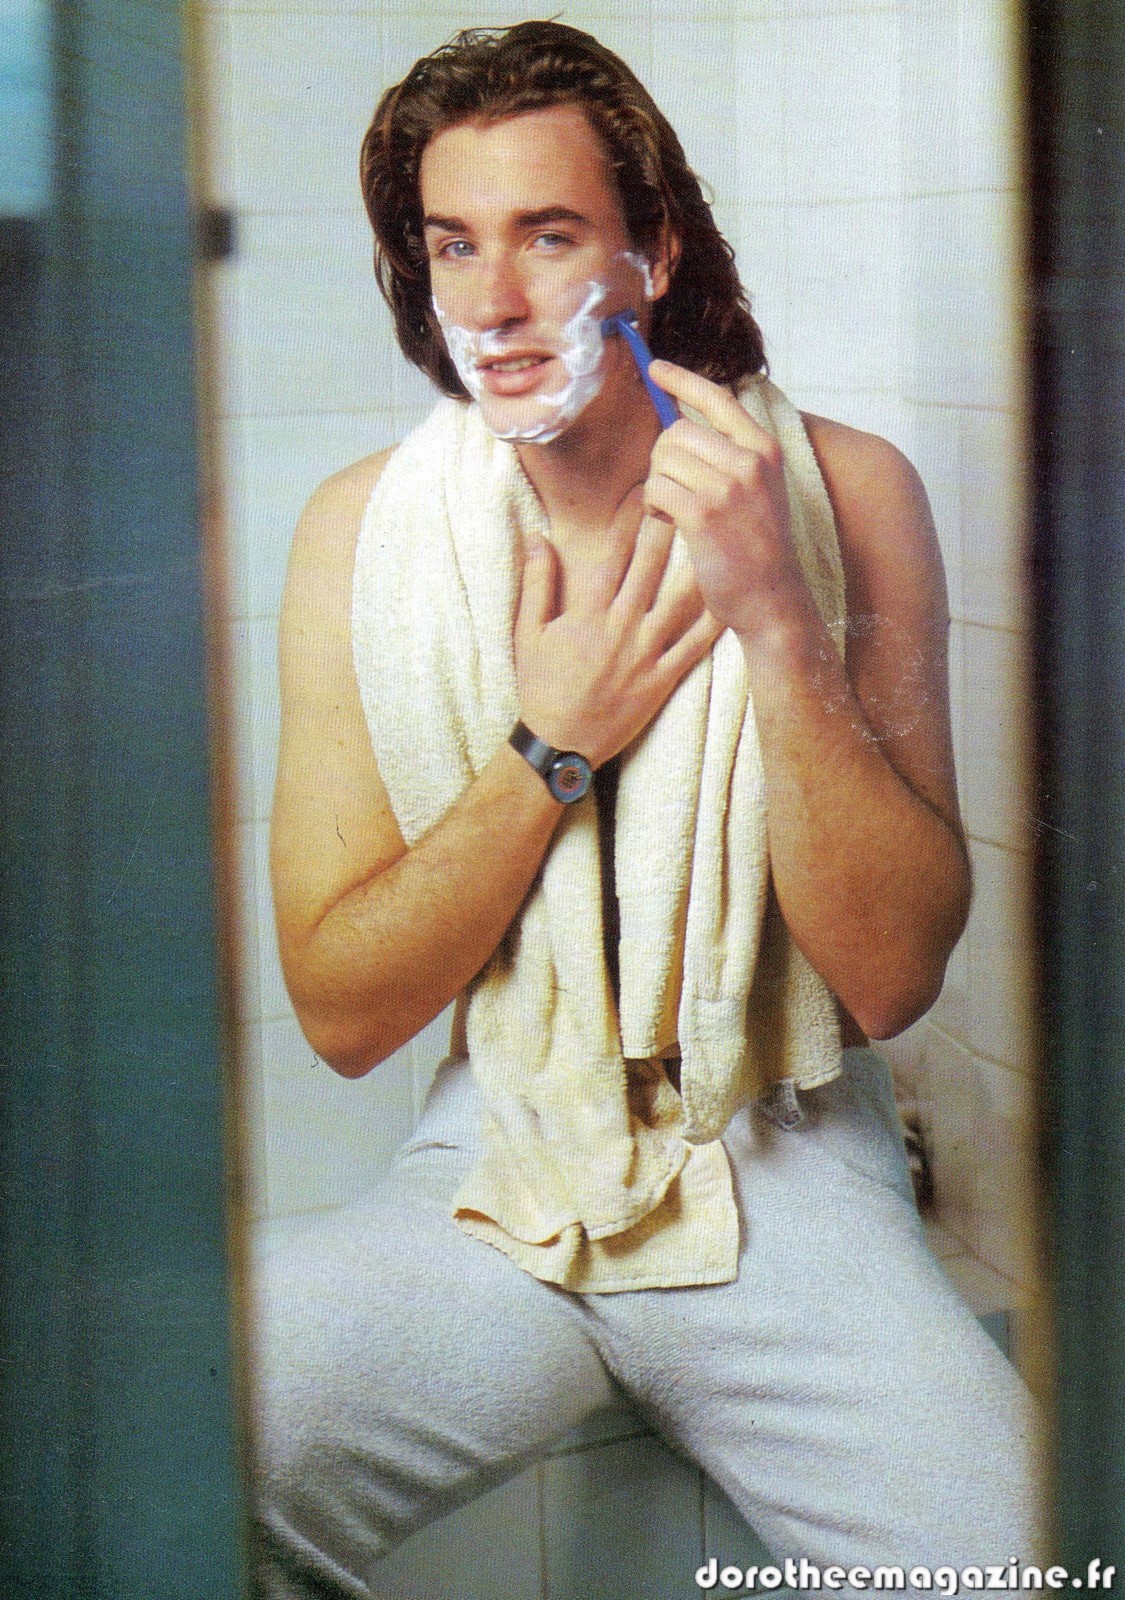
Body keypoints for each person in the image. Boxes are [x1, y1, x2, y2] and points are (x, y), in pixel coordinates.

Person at [253, 21, 1040, 1598]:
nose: (490, 301)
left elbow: (891, 976)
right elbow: (341, 1011)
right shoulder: (361, 534)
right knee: (163, 1445)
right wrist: (553, 743)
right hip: (495, 1153)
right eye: (451, 244)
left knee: (1015, 1568)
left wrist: (773, 617)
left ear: (651, 249)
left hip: (783, 1154)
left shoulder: (846, 491)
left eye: (547, 237)